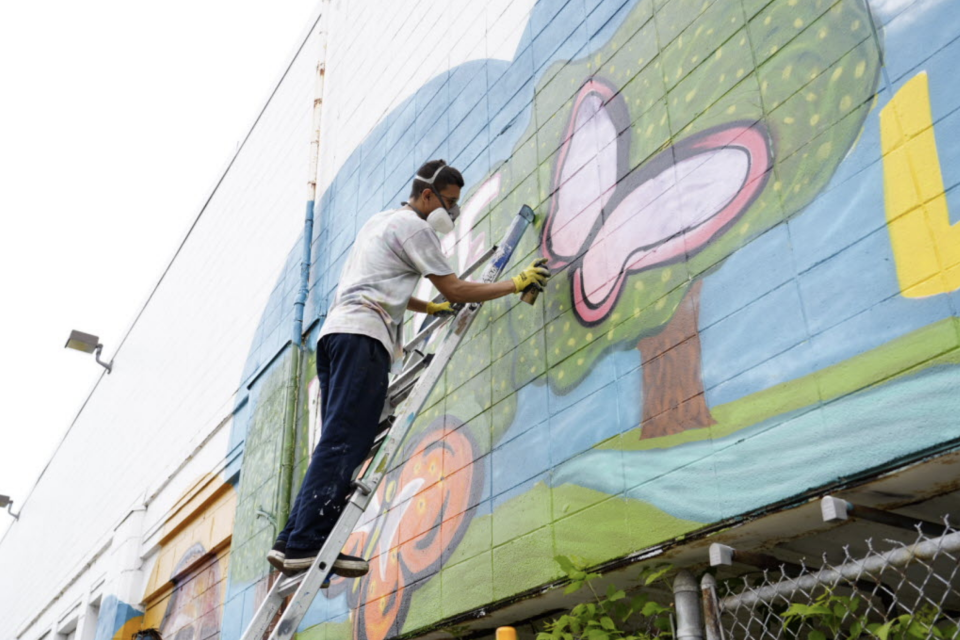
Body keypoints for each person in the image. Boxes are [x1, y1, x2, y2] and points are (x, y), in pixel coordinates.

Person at [267, 159, 551, 576]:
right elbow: (454, 286)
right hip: (363, 336)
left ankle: (292, 539)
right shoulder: (416, 228)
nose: (452, 212)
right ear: (426, 195)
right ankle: (308, 542)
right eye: (449, 202)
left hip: (337, 336)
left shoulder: (381, 222)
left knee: (338, 438)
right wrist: (515, 283)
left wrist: (424, 306)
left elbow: (376, 283)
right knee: (347, 440)